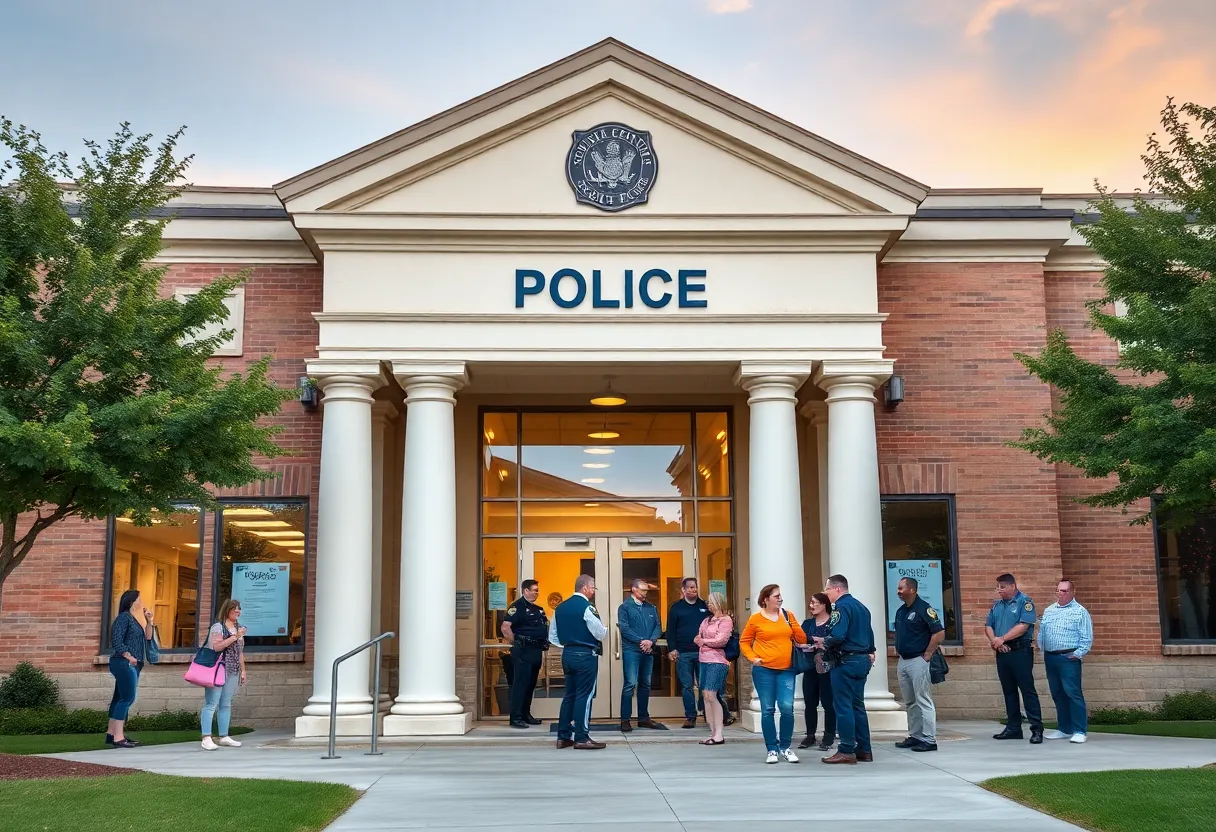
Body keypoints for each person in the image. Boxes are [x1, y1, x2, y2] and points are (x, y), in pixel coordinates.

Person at [740, 584, 806, 764]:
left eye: (780, 596)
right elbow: (744, 642)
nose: (780, 599)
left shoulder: (787, 615)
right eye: (776, 596)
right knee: (767, 709)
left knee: (787, 708)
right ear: (765, 599)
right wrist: (753, 658)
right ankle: (772, 749)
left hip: (786, 669)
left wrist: (792, 623)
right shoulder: (755, 619)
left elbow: (802, 639)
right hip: (764, 670)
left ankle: (785, 747)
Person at [815, 574, 877, 765]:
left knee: (843, 706)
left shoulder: (841, 607)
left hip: (845, 661)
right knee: (858, 705)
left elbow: (838, 635)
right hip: (862, 660)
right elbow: (870, 634)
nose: (826, 594)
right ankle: (864, 750)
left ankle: (846, 750)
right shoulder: (862, 607)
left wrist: (823, 642)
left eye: (827, 590)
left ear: (838, 589)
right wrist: (871, 651)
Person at [550, 574, 608, 750]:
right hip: (585, 655)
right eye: (593, 588)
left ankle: (563, 736)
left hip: (567, 653)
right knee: (585, 695)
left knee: (569, 695)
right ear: (585, 587)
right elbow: (599, 633)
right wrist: (605, 630)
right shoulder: (587, 607)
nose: (593, 592)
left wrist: (569, 643)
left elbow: (552, 636)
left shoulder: (559, 608)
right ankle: (581, 737)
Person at [986, 573, 1044, 744]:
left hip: (1020, 651)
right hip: (1002, 652)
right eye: (998, 587)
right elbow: (988, 625)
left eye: (1002, 587)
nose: (999, 591)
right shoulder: (997, 606)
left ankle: (1036, 730)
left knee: (1027, 690)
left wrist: (1002, 639)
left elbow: (1023, 626)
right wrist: (995, 642)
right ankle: (1013, 728)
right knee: (1009, 691)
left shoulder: (1024, 602)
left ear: (1012, 586)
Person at [667, 577, 733, 729]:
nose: (693, 590)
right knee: (687, 686)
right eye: (689, 587)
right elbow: (670, 630)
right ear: (683, 590)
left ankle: (709, 713)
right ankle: (691, 716)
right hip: (683, 653)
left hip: (705, 653)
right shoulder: (676, 608)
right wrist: (672, 649)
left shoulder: (704, 606)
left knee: (706, 686)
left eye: (695, 587)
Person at [893, 577, 946, 752]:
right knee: (910, 702)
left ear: (913, 590)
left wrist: (928, 654)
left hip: (919, 660)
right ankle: (915, 736)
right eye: (898, 588)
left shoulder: (925, 609)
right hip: (903, 661)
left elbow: (939, 633)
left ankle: (929, 739)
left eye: (901, 588)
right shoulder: (901, 611)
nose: (898, 591)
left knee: (923, 700)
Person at [1037, 580, 1094, 744]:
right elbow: (1043, 631)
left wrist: (1077, 654)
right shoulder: (1049, 610)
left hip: (1069, 657)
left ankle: (1079, 730)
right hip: (1051, 657)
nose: (1060, 594)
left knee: (1073, 693)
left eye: (1064, 591)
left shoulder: (1080, 612)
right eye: (1058, 591)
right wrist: (1042, 648)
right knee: (1058, 694)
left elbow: (1086, 637)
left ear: (1072, 592)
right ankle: (1064, 728)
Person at [616, 579, 668, 731]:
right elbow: (624, 629)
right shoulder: (624, 607)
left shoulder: (651, 608)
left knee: (645, 684)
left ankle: (643, 718)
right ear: (633, 589)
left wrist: (651, 641)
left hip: (648, 650)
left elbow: (658, 627)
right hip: (632, 650)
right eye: (642, 590)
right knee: (630, 684)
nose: (645, 593)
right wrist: (641, 641)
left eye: (646, 590)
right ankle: (625, 720)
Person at [106, 589, 154, 748]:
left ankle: (112, 734)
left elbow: (148, 638)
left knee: (120, 698)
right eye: (139, 599)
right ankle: (119, 738)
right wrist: (129, 657)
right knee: (127, 698)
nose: (141, 601)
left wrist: (149, 621)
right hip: (123, 662)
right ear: (131, 601)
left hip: (132, 663)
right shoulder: (123, 618)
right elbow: (117, 641)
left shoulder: (133, 619)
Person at [501, 579, 549, 728]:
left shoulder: (538, 609)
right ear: (525, 591)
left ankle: (526, 714)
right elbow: (505, 627)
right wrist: (515, 642)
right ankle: (515, 717)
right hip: (523, 651)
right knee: (520, 684)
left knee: (530, 684)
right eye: (534, 590)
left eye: (537, 590)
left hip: (535, 651)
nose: (537, 592)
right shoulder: (517, 607)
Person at [200, 598, 247, 750]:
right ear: (227, 610)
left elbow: (240, 652)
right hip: (217, 668)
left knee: (225, 703)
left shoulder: (238, 628)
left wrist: (243, 670)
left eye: (239, 608)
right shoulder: (218, 627)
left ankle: (223, 736)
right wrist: (235, 637)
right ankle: (206, 737)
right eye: (235, 608)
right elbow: (216, 647)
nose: (238, 611)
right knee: (211, 703)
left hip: (233, 669)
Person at [693, 591, 733, 745]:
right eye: (708, 602)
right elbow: (697, 638)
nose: (708, 604)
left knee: (712, 695)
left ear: (719, 602)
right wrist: (704, 640)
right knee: (706, 696)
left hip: (717, 661)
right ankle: (712, 732)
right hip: (703, 659)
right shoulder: (706, 620)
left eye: (711, 601)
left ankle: (719, 734)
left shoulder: (725, 620)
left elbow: (721, 640)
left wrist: (703, 641)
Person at [798, 593, 836, 751]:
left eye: (815, 603)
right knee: (810, 702)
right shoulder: (807, 623)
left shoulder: (833, 623)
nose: (812, 606)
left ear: (824, 604)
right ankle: (810, 735)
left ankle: (829, 736)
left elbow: (837, 640)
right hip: (810, 667)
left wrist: (823, 644)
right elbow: (799, 640)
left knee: (828, 703)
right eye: (811, 603)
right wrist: (810, 644)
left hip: (828, 668)